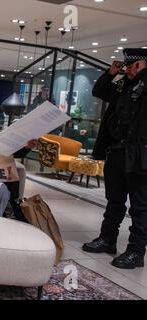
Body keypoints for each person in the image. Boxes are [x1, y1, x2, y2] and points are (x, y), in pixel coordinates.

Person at [82, 48, 147, 269]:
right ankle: (107, 239)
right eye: (127, 65)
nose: (128, 69)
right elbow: (99, 91)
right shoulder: (124, 86)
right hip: (117, 152)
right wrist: (111, 73)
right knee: (114, 201)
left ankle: (136, 252)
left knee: (139, 207)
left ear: (142, 64)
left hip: (140, 156)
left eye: (132, 65)